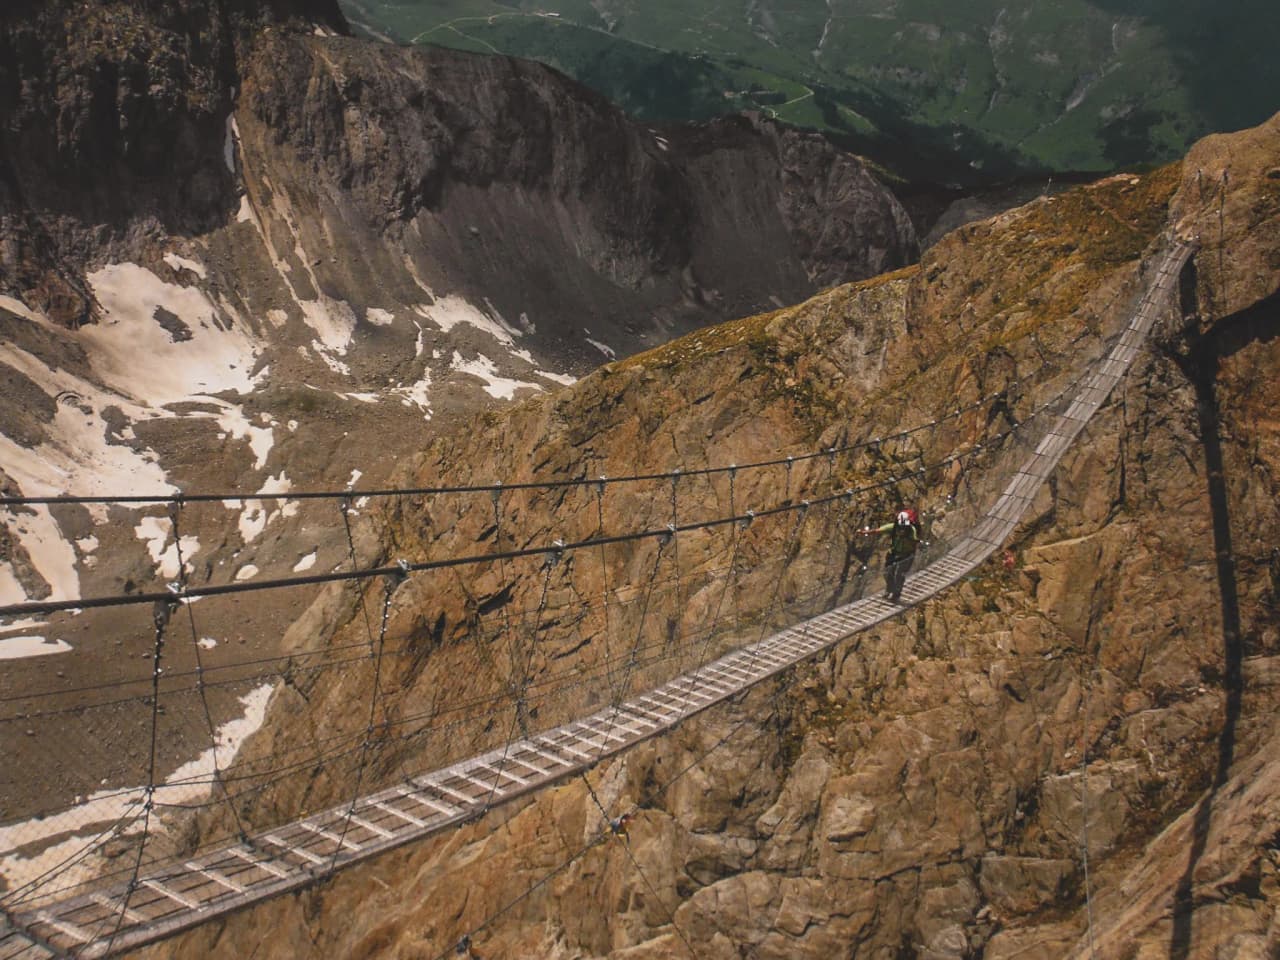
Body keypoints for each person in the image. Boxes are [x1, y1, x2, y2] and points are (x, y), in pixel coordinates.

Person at [861, 508, 921, 602]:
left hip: (906, 555)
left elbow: (915, 539)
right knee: (887, 572)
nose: (902, 528)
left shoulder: (911, 530)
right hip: (893, 553)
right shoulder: (893, 527)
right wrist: (865, 532)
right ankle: (889, 590)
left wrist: (910, 539)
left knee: (899, 574)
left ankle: (896, 594)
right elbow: (879, 530)